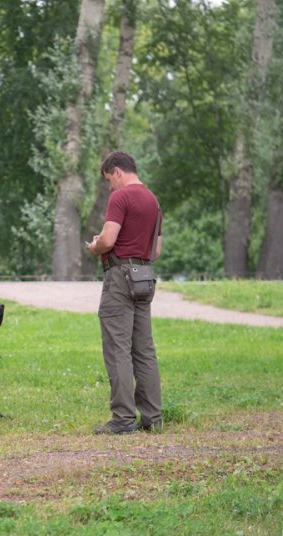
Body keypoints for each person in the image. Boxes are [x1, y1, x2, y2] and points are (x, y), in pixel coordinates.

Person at [85, 151, 163, 435]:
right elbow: (156, 250)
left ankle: (122, 419)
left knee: (118, 349)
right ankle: (153, 417)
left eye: (108, 180)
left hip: (119, 278)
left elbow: (108, 239)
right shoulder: (153, 201)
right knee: (144, 350)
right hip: (145, 277)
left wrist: (95, 246)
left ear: (117, 171)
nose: (109, 187)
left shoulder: (121, 197)